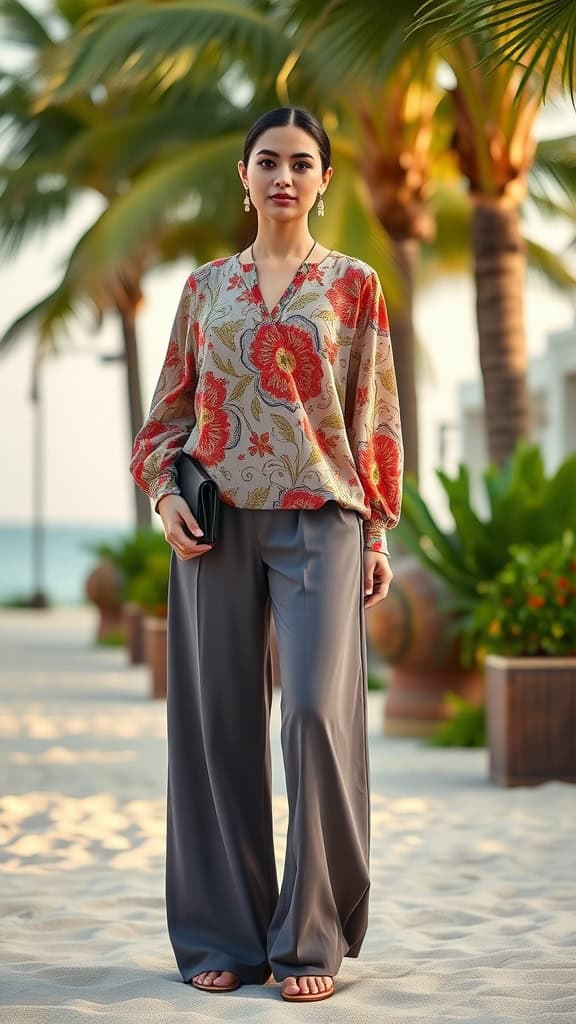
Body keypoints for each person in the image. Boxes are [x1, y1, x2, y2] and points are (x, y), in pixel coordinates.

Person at [130, 106, 404, 1004]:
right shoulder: (205, 288)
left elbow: (375, 414)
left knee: (313, 721)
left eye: (301, 162)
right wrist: (165, 494)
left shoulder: (356, 285)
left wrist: (378, 528)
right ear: (242, 177)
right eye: (267, 162)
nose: (283, 176)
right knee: (218, 728)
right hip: (214, 522)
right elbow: (168, 412)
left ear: (324, 178)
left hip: (321, 516)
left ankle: (310, 936)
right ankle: (223, 935)